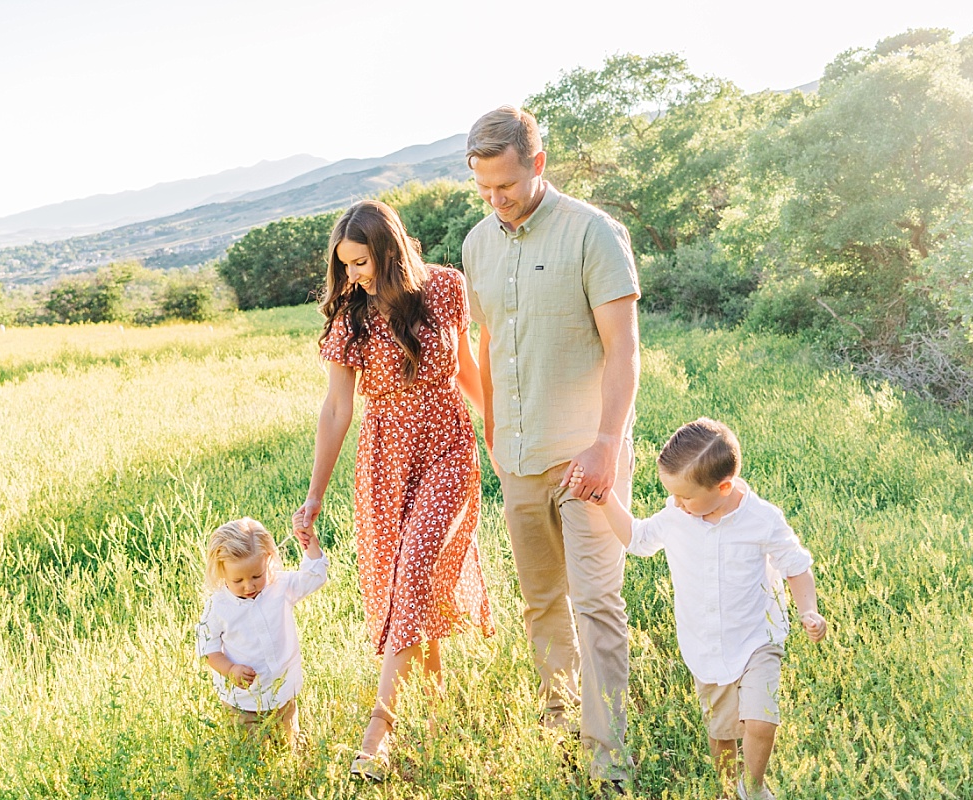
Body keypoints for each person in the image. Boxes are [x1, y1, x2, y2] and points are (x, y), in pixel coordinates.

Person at [461, 105, 640, 790]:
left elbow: (625, 350)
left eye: (506, 186)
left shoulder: (594, 232)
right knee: (542, 600)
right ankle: (561, 721)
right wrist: (494, 427)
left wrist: (605, 442)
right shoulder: (479, 242)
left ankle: (609, 755)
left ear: (537, 165)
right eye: (484, 189)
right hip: (520, 458)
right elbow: (488, 340)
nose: (496, 200)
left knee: (596, 601)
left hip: (586, 455)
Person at [293, 199, 494, 782]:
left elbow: (464, 371)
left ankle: (379, 728)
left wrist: (495, 438)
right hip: (384, 460)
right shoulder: (349, 315)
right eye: (345, 265)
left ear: (390, 250)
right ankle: (436, 714)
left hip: (447, 448)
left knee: (415, 567)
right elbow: (336, 408)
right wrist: (315, 495)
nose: (352, 275)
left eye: (361, 262)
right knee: (410, 581)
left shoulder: (448, 289)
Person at [586, 418, 828, 800]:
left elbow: (796, 567)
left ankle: (754, 787)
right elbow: (637, 539)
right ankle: (727, 790)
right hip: (706, 645)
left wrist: (808, 611)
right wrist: (605, 499)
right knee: (722, 734)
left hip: (757, 639)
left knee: (760, 722)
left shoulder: (762, 519)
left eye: (685, 497)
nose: (678, 504)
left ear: (724, 487)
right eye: (674, 496)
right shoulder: (678, 517)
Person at [196, 516, 328, 746]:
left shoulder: (279, 586)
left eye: (257, 576)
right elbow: (208, 648)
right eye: (238, 580)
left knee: (287, 748)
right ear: (222, 572)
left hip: (282, 694)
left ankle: (289, 776)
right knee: (250, 755)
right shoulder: (218, 606)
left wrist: (310, 543)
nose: (249, 586)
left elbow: (313, 578)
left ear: (268, 560)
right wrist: (230, 669)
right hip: (243, 703)